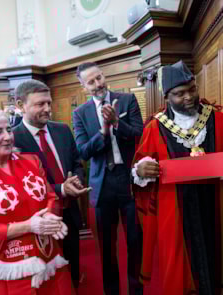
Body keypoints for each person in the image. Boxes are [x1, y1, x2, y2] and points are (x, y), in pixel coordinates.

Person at [132, 60, 223, 294]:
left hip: (215, 204)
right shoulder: (155, 128)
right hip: (175, 210)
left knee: (217, 262)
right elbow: (139, 168)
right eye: (179, 94)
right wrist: (140, 171)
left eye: (192, 89)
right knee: (181, 271)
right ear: (167, 97)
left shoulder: (216, 119)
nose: (188, 97)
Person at [0, 108, 74, 294]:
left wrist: (50, 218)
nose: (8, 136)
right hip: (4, 269)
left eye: (9, 129)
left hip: (47, 256)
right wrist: (29, 226)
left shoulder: (31, 161)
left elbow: (51, 197)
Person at [72, 62, 144, 295]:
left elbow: (139, 135)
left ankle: (136, 290)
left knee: (135, 241)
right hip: (102, 185)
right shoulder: (80, 113)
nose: (97, 84)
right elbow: (83, 151)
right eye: (91, 82)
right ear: (83, 87)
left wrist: (116, 122)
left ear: (104, 76)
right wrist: (103, 132)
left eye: (99, 78)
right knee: (106, 246)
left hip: (129, 180)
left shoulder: (127, 100)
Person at [12, 79, 88, 289]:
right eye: (40, 104)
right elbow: (20, 185)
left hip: (70, 213)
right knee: (46, 278)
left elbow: (76, 163)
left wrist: (76, 181)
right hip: (38, 221)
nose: (47, 109)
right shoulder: (12, 140)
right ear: (20, 105)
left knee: (72, 266)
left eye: (49, 103)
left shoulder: (62, 130)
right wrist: (60, 189)